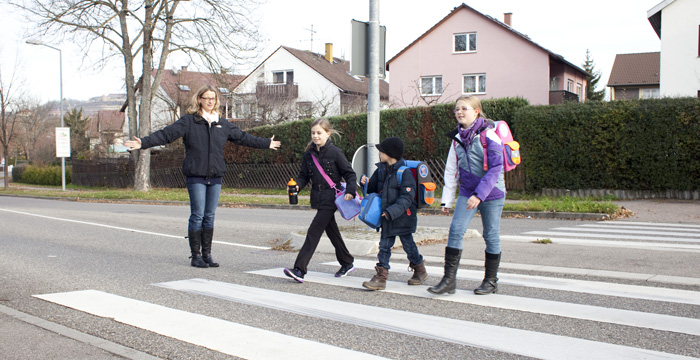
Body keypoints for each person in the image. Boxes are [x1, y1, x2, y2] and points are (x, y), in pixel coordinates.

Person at [124, 85, 281, 268]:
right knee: (197, 215)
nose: (210, 101)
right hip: (196, 175)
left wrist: (266, 143)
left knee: (210, 216)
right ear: (199, 99)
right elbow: (166, 135)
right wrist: (143, 142)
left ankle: (207, 255)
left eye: (213, 99)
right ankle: (196, 256)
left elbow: (243, 137)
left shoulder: (222, 123)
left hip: (215, 176)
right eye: (206, 98)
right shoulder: (189, 121)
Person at [428, 95, 506, 296]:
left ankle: (490, 281)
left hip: (492, 193)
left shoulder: (490, 136)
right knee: (455, 230)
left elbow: (497, 168)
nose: (459, 112)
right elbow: (451, 170)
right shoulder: (457, 139)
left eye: (464, 108)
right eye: (457, 109)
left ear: (476, 111)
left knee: (490, 234)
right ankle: (449, 281)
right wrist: (447, 199)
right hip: (467, 191)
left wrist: (479, 195)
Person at [283, 118, 357, 283]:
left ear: (327, 134)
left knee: (313, 231)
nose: (315, 136)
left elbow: (350, 174)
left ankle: (300, 269)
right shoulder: (309, 154)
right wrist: (296, 187)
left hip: (331, 199)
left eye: (319, 133)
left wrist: (351, 191)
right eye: (313, 133)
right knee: (332, 232)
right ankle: (347, 262)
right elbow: (303, 176)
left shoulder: (335, 153)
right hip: (318, 197)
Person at [361, 136, 427, 291]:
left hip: (403, 217)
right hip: (387, 216)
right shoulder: (381, 169)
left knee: (408, 245)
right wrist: (366, 183)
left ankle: (420, 269)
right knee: (384, 246)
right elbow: (374, 189)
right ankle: (381, 278)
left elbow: (406, 198)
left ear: (390, 154)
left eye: (382, 151)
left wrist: (391, 212)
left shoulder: (405, 173)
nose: (379, 153)